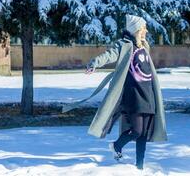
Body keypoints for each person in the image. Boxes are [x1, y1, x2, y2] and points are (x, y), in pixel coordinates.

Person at [63, 14, 167, 170]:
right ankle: (117, 145)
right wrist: (95, 63)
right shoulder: (124, 45)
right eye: (144, 28)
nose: (146, 30)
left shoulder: (144, 47)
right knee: (137, 131)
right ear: (137, 29)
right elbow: (109, 55)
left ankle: (140, 166)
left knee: (143, 134)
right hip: (133, 95)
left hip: (148, 94)